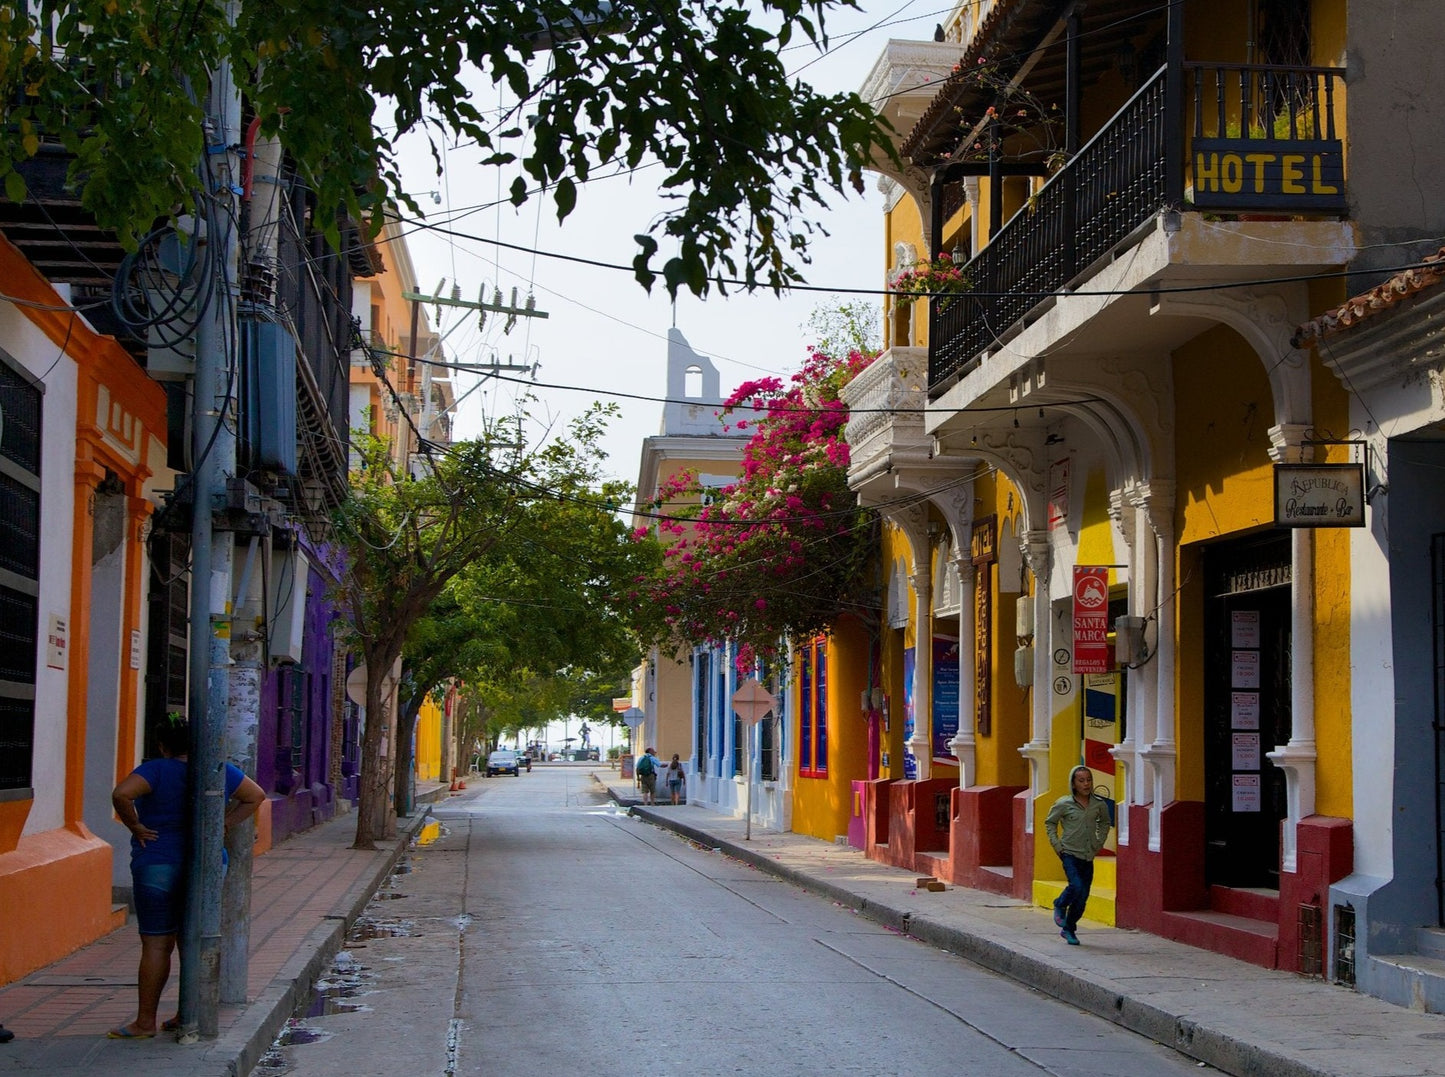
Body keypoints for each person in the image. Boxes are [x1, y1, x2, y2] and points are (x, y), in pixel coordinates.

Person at [108, 717, 265, 1039]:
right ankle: (186, 1015)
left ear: (163, 745)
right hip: (206, 863)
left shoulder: (155, 770)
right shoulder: (217, 770)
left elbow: (122, 794)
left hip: (157, 862)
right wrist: (225, 822)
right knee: (192, 940)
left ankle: (144, 1022)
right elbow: (255, 795)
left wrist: (136, 826)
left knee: (155, 942)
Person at [1044, 765, 1112, 946]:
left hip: (1088, 855)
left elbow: (1105, 822)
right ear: (1073, 784)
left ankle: (1069, 929)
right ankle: (1060, 903)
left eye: (1088, 780)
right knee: (1076, 886)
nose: (1086, 784)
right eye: (1081, 780)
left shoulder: (1099, 804)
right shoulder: (1064, 803)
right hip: (1069, 853)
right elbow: (1050, 823)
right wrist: (1057, 845)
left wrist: (1099, 842)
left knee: (1082, 898)